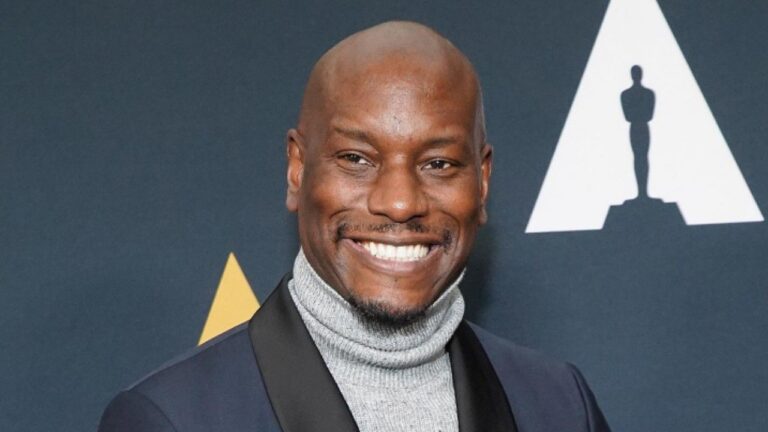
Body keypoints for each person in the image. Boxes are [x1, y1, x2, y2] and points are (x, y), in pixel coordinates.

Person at [99, 21, 611, 432]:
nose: (399, 202)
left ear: (482, 181)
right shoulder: (171, 418)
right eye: (357, 159)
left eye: (439, 164)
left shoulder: (560, 405)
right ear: (298, 168)